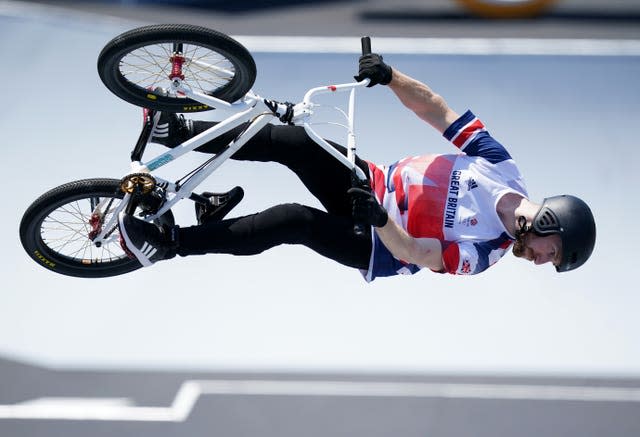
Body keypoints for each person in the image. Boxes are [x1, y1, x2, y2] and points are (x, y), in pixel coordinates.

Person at [118, 53, 596, 281]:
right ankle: (175, 135)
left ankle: (170, 244)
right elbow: (435, 110)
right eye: (553, 254)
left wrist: (380, 219)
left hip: (375, 242)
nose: (541, 261)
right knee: (297, 141)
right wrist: (389, 76)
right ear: (555, 223)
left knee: (293, 221)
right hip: (373, 183)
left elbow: (420, 254)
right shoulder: (499, 166)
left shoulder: (486, 253)